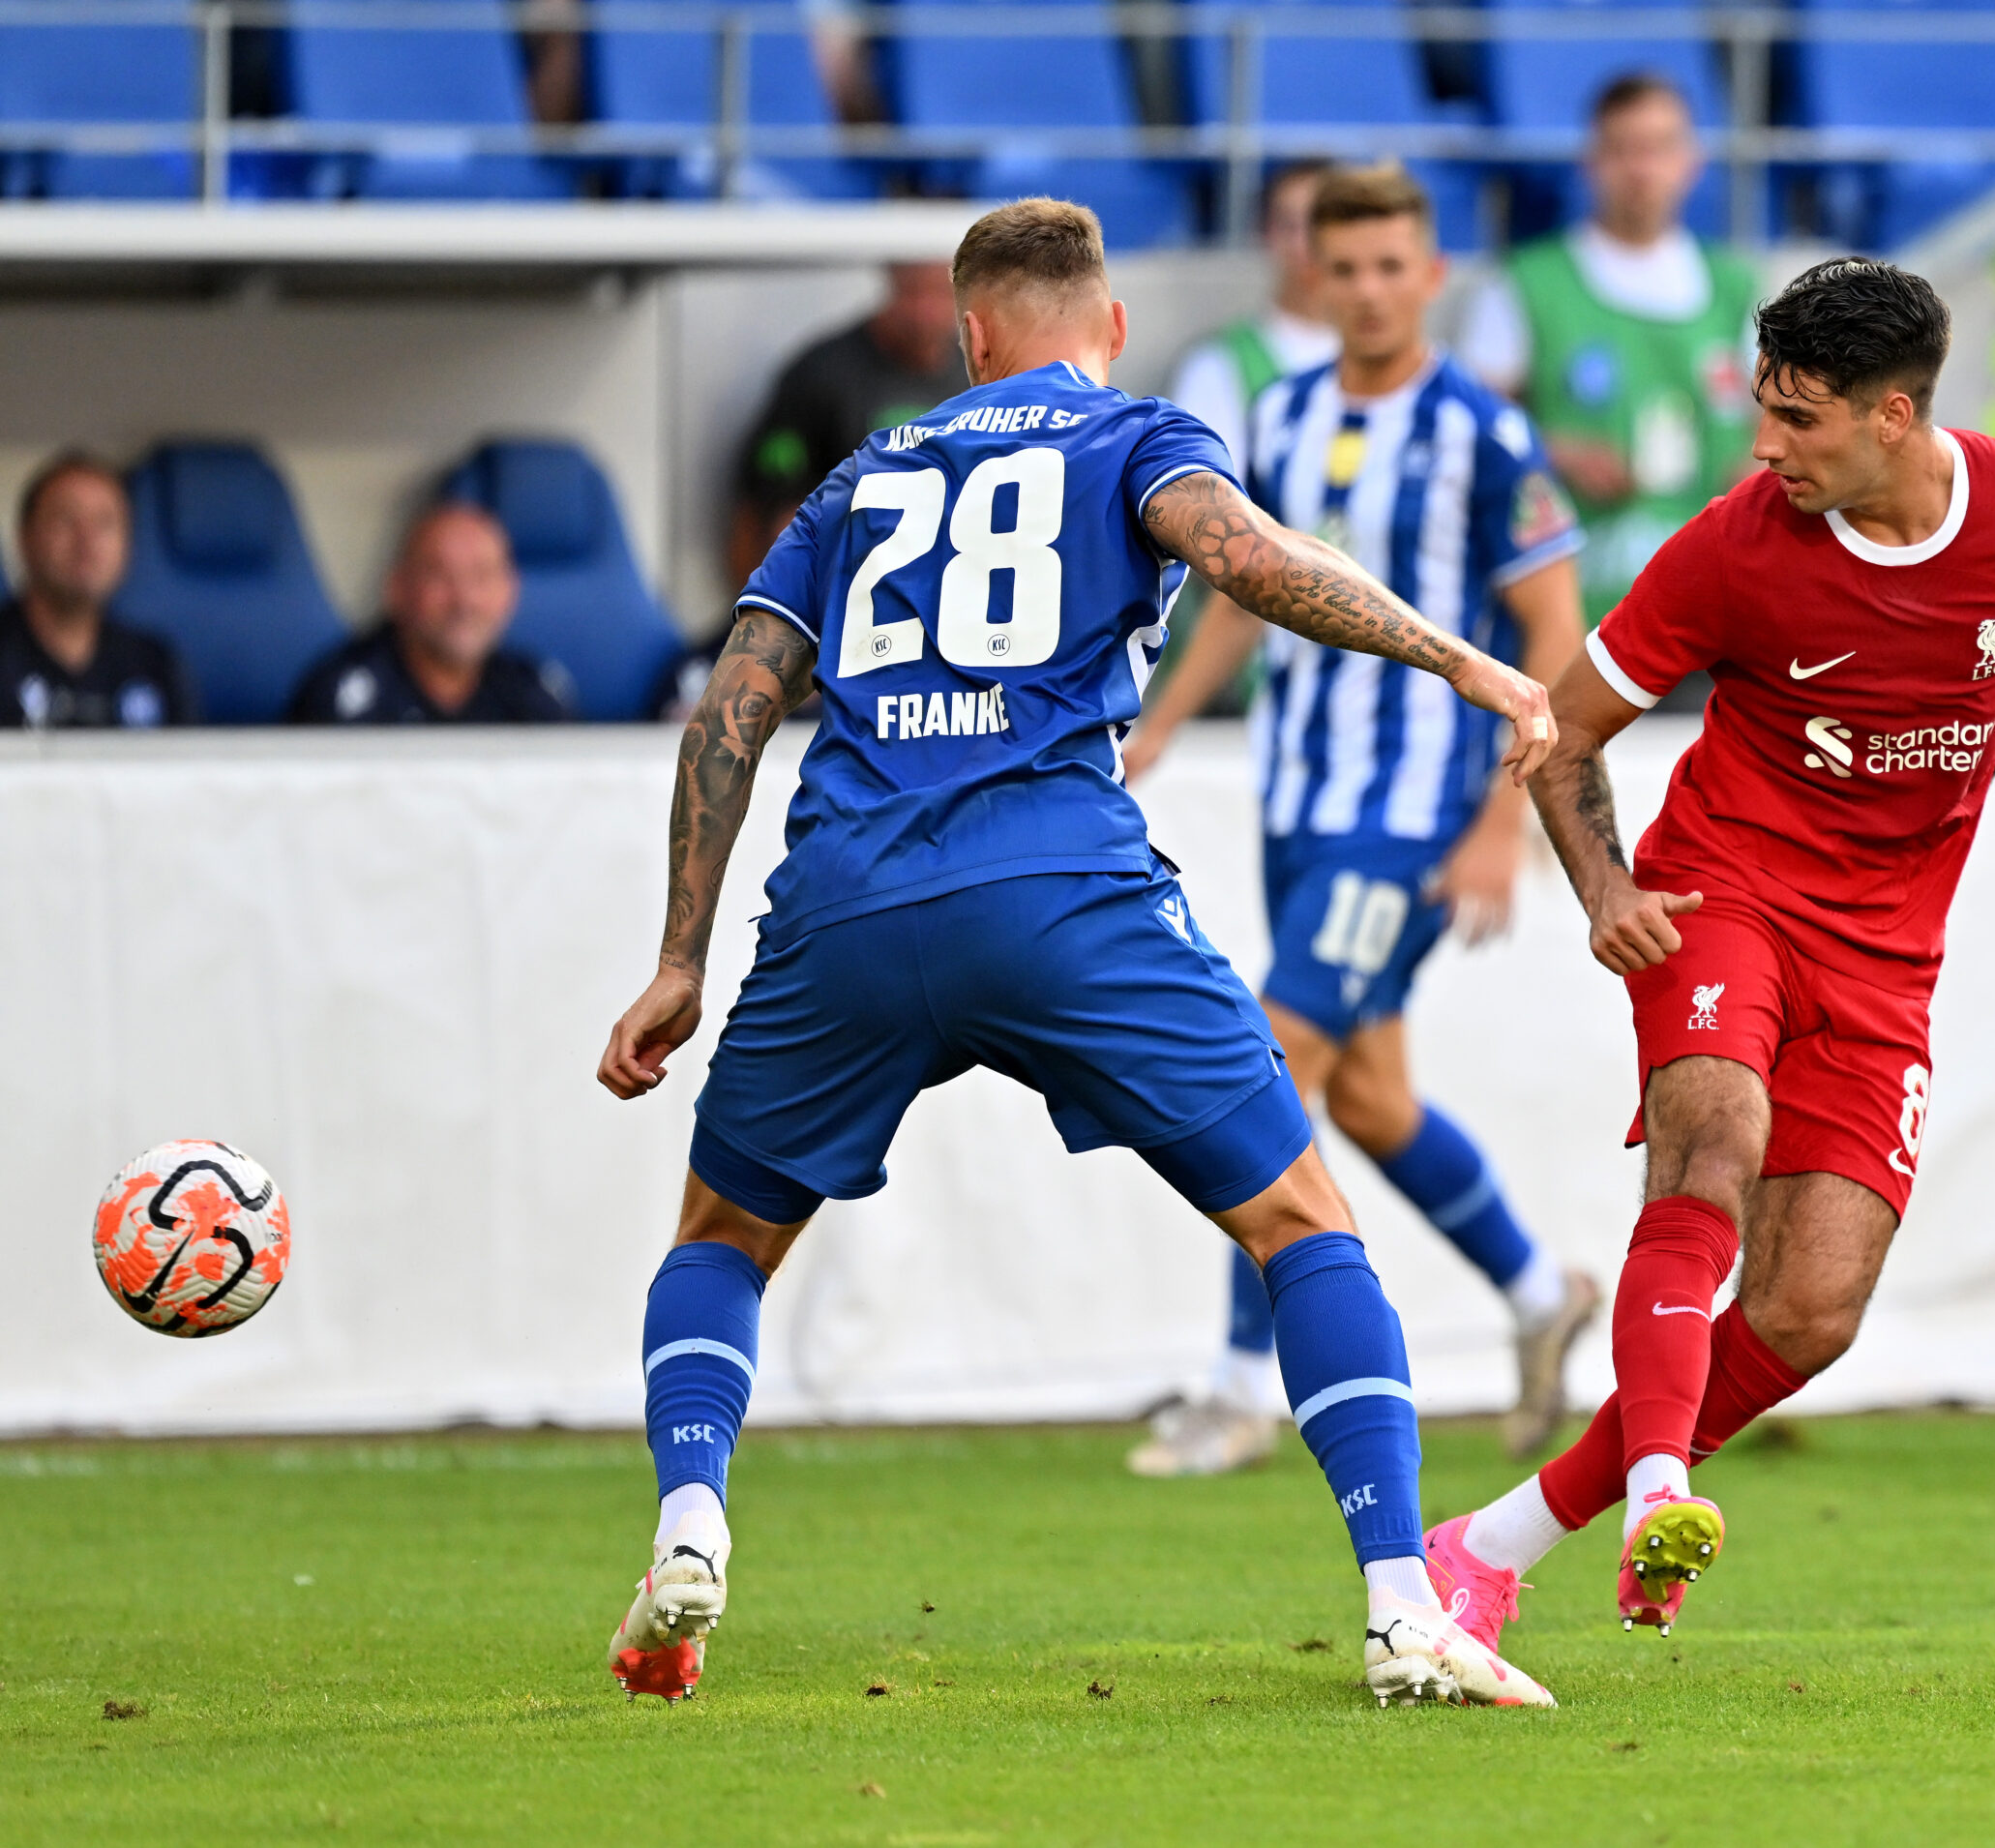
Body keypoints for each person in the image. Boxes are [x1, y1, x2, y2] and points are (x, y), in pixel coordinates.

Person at [592, 196, 1562, 1711]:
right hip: (1063, 890)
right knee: (1305, 1222)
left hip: (844, 895)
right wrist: (1460, 656)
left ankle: (688, 1523)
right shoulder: (1134, 433)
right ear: (1104, 327)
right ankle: (1399, 1604)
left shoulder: (857, 476)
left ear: (970, 339)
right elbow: (1247, 558)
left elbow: (737, 698)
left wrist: (676, 955)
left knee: (720, 1240)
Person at [1418, 258, 1995, 1652]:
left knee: (1811, 1309)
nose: (1766, 445)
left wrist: (1972, 774)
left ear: (1896, 418)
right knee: (1714, 1140)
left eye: (1800, 420)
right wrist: (1607, 889)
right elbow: (1560, 735)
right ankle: (1658, 1486)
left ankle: (1491, 1542)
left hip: (1887, 943)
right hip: (1721, 885)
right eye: (1765, 409)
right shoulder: (1735, 547)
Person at [1120, 164, 1600, 1478]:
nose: (1375, 288)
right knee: (1374, 1098)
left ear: (1432, 275)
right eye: (1351, 267)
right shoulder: (1277, 416)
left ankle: (1236, 1386)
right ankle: (1536, 1289)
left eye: (1398, 265)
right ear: (1314, 278)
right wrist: (1162, 721)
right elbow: (1238, 595)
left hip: (1412, 812)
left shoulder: (1484, 434)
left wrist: (1505, 823)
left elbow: (1554, 626)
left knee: (1268, 1064)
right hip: (1299, 801)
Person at [1459, 74, 1758, 625]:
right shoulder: (1526, 283)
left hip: (1710, 611)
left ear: (1692, 160)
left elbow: (1773, 428)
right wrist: (1556, 454)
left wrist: (1755, 471)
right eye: (1623, 150)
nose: (1642, 169)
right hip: (1573, 608)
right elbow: (1469, 432)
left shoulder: (1734, 289)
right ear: (1591, 161)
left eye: (1660, 148)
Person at [730, 261, 973, 583]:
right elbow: (766, 516)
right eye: (913, 292)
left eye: (941, 294)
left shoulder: (974, 377)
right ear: (890, 282)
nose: (925, 313)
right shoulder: (824, 374)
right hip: (838, 587)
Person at [289, 503, 571, 725]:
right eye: (440, 575)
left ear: (511, 591)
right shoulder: (344, 697)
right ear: (397, 589)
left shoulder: (533, 688)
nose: (464, 600)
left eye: (482, 576)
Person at [1164, 161, 1341, 482]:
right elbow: (1205, 497)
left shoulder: (1393, 360)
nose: (1310, 243)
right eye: (1291, 225)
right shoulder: (1217, 366)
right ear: (1266, 233)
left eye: (1325, 221)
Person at [0, 452, 193, 730]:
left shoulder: (155, 665)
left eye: (105, 523)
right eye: (65, 520)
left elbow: (191, 769)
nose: (87, 543)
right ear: (25, 538)